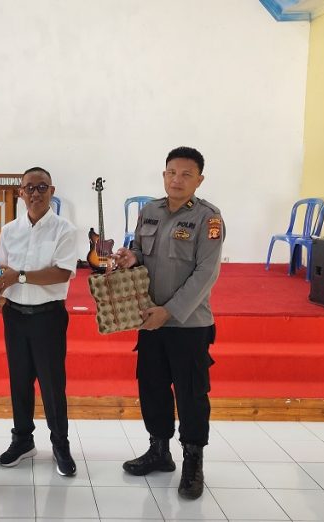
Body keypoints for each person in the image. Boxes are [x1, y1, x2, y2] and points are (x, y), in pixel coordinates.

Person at [111, 146, 225, 500]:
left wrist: (170, 311)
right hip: (150, 319)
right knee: (152, 387)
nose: (177, 180)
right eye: (172, 172)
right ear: (164, 175)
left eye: (186, 174)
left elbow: (206, 273)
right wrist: (131, 258)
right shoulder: (150, 211)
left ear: (199, 180)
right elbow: (141, 253)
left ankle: (193, 461)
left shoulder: (209, 218)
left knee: (191, 394)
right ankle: (159, 450)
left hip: (188, 324)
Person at [0, 167, 78, 476]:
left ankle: (60, 444)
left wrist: (20, 276)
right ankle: (23, 440)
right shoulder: (9, 230)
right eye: (29, 188)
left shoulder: (65, 230)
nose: (35, 193)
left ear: (52, 191)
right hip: (14, 316)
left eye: (42, 187)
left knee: (52, 385)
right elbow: (1, 272)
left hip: (47, 317)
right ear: (20, 193)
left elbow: (62, 273)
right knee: (19, 381)